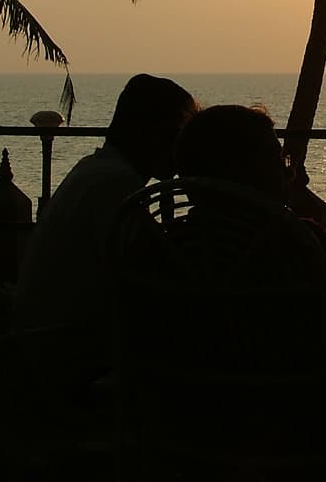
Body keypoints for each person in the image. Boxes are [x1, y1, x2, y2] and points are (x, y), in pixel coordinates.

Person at [173, 104, 326, 377]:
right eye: (278, 161)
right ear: (253, 173)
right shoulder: (301, 242)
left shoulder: (169, 247)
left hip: (186, 408)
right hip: (296, 407)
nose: (291, 173)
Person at [13, 74, 197, 385]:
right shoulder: (116, 186)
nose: (182, 147)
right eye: (177, 133)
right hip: (75, 356)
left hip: (45, 340)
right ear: (151, 131)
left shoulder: (94, 171)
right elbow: (160, 278)